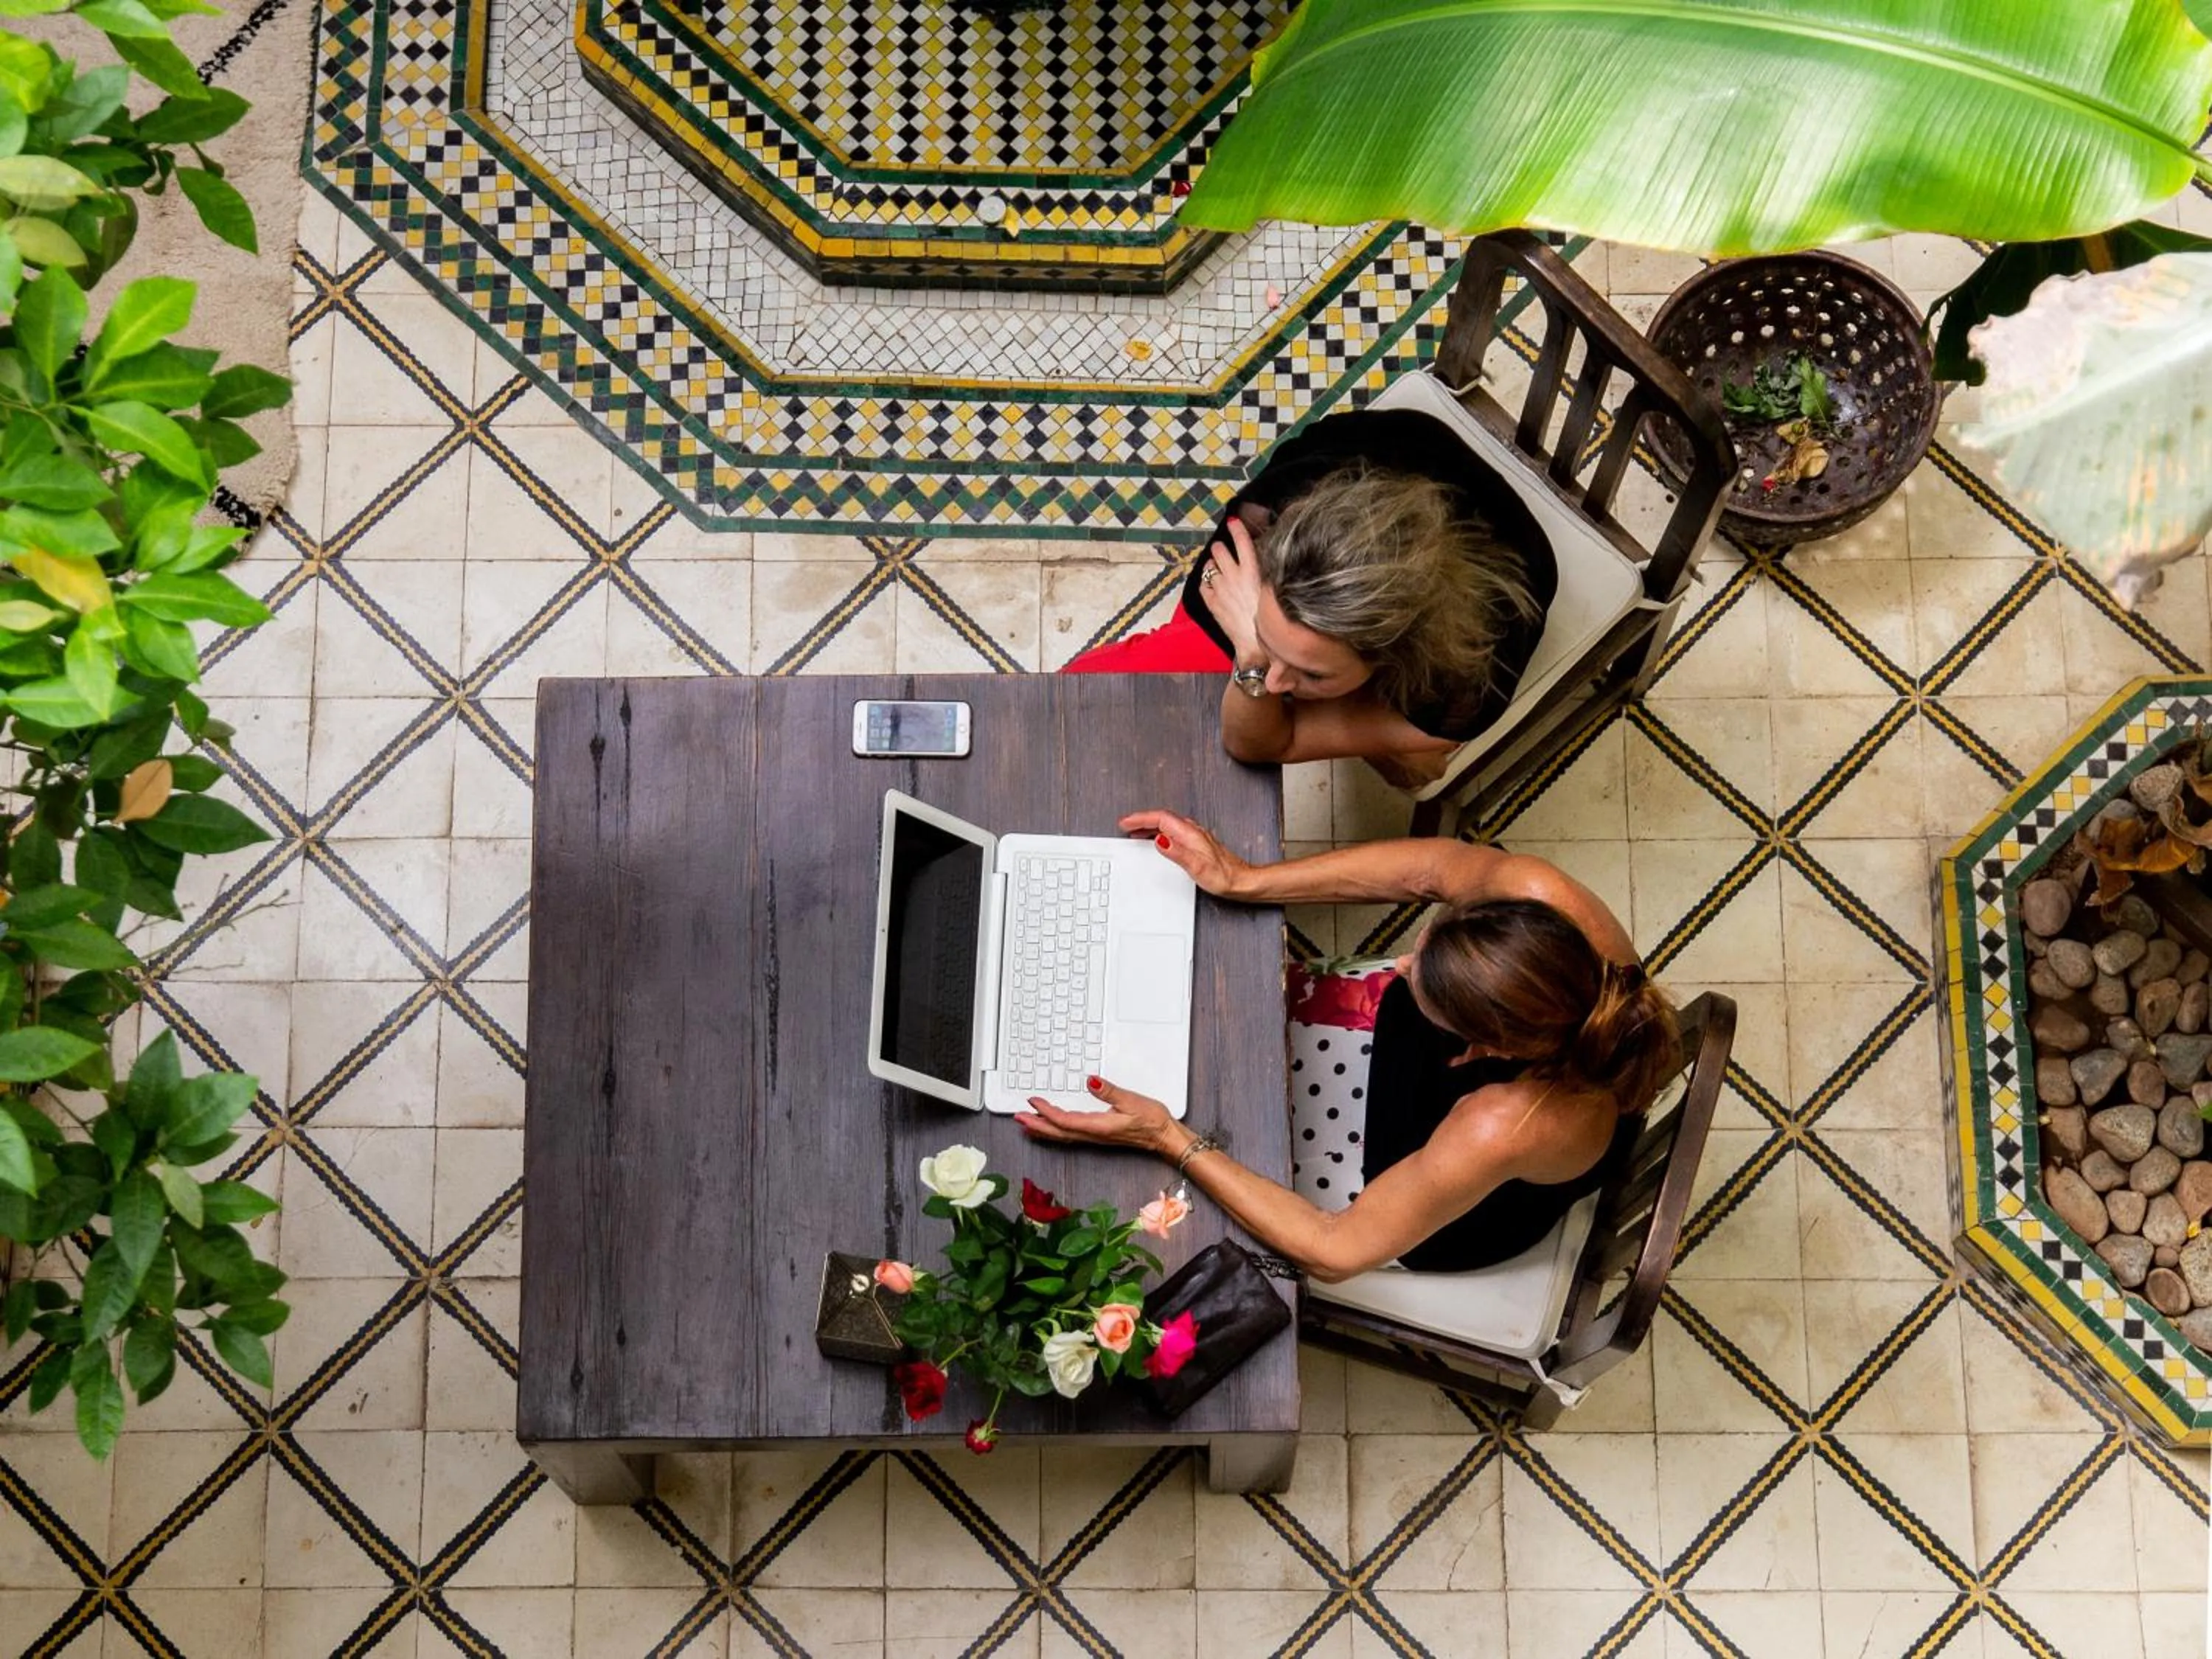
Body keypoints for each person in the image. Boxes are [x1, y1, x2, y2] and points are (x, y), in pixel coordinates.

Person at [1016, 810, 1676, 1281]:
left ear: (1478, 1050)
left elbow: (1333, 1253)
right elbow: (1429, 868)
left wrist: (1167, 1136)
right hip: (1501, 1090)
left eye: (1420, 976)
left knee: (1232, 1153)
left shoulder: (1497, 1124)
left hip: (1457, 1202)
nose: (1401, 961)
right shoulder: (1541, 896)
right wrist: (1243, 878)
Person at [1062, 409, 1557, 783]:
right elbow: (1212, 588)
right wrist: (1255, 643)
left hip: (1486, 577)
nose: (1277, 682)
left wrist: (1252, 658)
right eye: (1268, 638)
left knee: (1417, 761)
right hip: (1383, 451)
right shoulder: (1262, 521)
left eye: (1312, 673)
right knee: (1092, 695)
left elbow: (1261, 743)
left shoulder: (1461, 690)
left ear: (1390, 660)